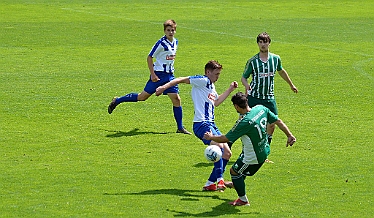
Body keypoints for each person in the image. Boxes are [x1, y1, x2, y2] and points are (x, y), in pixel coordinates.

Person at [156, 60, 238, 191]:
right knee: (218, 148)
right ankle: (220, 180)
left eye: (219, 74)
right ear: (208, 72)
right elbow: (180, 79)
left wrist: (230, 89)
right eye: (216, 74)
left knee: (227, 152)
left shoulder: (211, 86)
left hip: (211, 123)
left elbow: (216, 102)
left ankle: (209, 184)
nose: (218, 77)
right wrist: (163, 87)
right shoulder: (203, 80)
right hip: (202, 124)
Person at [203, 92, 296, 206]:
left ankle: (243, 200)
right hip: (264, 149)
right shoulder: (261, 109)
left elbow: (225, 138)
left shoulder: (244, 123)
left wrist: (210, 137)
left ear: (236, 106)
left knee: (234, 171)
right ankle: (237, 183)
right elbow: (278, 121)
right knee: (240, 169)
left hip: (254, 156)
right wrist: (289, 135)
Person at [107, 19, 191, 134]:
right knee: (142, 97)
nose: (170, 32)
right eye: (168, 30)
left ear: (175, 31)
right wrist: (153, 74)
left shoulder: (176, 42)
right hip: (158, 75)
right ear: (164, 31)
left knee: (176, 99)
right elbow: (149, 57)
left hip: (169, 76)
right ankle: (118, 100)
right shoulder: (160, 43)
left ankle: (180, 128)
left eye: (172, 30)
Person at [241, 32, 298, 148]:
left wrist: (291, 85)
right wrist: (247, 86)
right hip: (254, 97)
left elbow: (281, 71)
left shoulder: (275, 59)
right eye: (260, 42)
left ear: (269, 43)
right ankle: (246, 151)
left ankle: (264, 151)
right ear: (257, 44)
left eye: (265, 42)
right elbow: (243, 78)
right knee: (249, 124)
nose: (263, 44)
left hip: (269, 98)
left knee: (272, 124)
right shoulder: (253, 61)